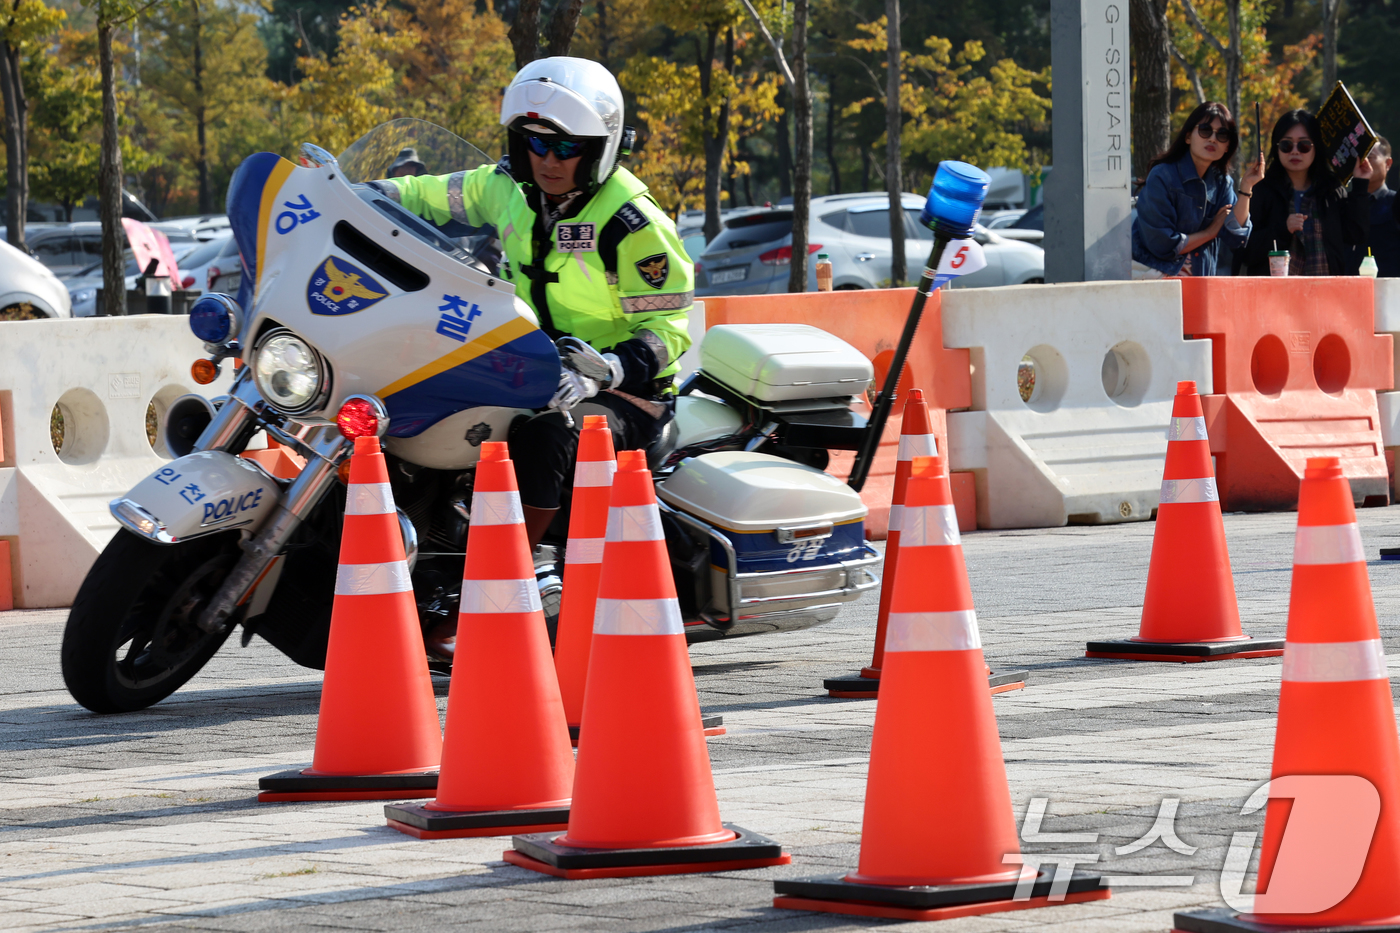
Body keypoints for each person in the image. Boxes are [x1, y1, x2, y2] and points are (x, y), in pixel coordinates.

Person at [372, 57, 693, 659]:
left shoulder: (631, 222)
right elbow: (431, 194)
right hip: (527, 368)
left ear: (596, 148)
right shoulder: (504, 188)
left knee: (548, 432)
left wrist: (614, 366)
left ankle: (502, 588)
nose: (549, 159)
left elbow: (670, 323)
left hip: (624, 393)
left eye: (567, 146)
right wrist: (364, 192)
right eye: (536, 143)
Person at [1132, 102, 1262, 277]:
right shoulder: (1163, 176)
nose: (1212, 139)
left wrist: (1246, 187)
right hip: (1158, 283)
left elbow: (1234, 236)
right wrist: (1210, 232)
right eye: (1205, 130)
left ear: (1227, 147)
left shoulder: (1223, 182)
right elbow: (1162, 244)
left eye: (1222, 135)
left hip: (1201, 281)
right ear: (1188, 137)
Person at [1239, 109, 1373, 276]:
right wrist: (1283, 229)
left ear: (1316, 148)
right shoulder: (1261, 189)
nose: (1295, 151)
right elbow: (1244, 251)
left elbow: (1356, 235)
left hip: (1326, 293)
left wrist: (1360, 184)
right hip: (1275, 296)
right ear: (1276, 148)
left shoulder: (1331, 189)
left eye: (1304, 145)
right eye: (1286, 145)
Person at [1348, 136, 1398, 276]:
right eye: (1360, 156)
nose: (1364, 162)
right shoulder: (1344, 204)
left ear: (1388, 163)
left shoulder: (1395, 203)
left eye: (1371, 156)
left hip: (1388, 288)